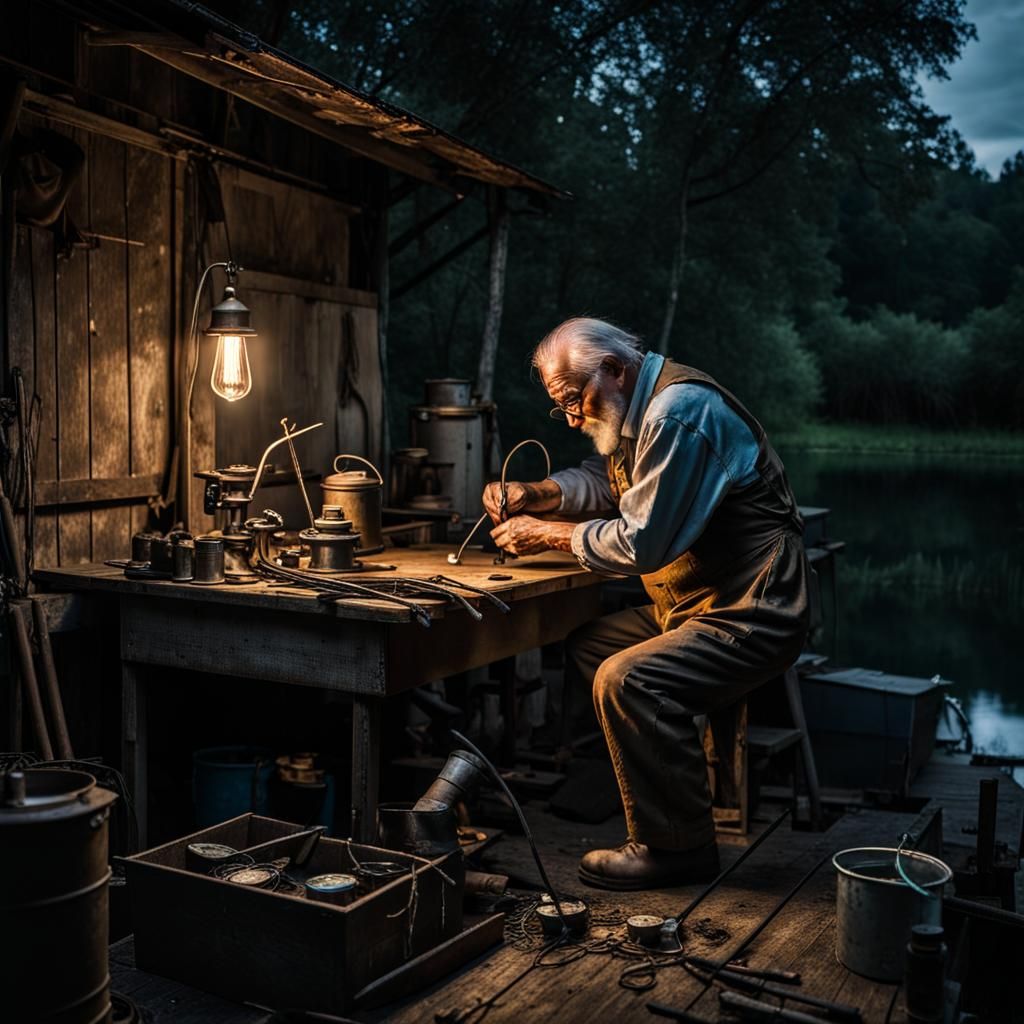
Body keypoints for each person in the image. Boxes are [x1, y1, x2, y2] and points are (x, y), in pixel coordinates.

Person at [483, 317, 809, 891]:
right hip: (692, 604)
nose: (573, 417)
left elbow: (640, 540)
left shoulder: (677, 411)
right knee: (591, 646)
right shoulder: (633, 415)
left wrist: (548, 533)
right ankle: (649, 787)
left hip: (752, 607)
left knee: (626, 680)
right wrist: (537, 495)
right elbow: (608, 485)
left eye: (574, 401)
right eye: (561, 410)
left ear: (613, 369)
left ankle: (675, 848)